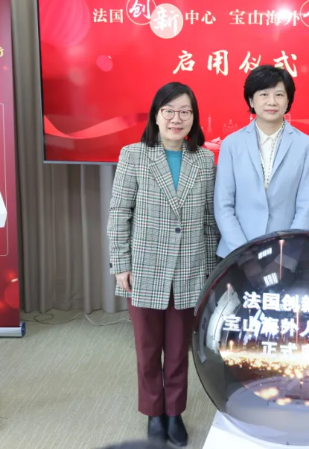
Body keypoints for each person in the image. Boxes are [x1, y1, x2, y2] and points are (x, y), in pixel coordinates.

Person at [107, 82, 219, 447]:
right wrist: (120, 263)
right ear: (156, 115)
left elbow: (208, 220)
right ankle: (154, 413)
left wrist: (210, 268)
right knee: (147, 349)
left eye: (185, 111)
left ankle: (174, 412)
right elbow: (119, 213)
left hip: (189, 268)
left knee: (178, 349)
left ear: (194, 118)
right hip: (143, 268)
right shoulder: (134, 155)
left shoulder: (203, 159)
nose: (176, 118)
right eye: (169, 110)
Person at [214, 65, 309, 257]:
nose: (272, 101)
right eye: (264, 94)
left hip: (285, 255)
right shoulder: (232, 144)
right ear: (251, 100)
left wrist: (286, 253)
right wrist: (244, 254)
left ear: (288, 101)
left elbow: (306, 206)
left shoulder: (304, 144)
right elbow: (223, 205)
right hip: (236, 254)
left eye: (279, 95)